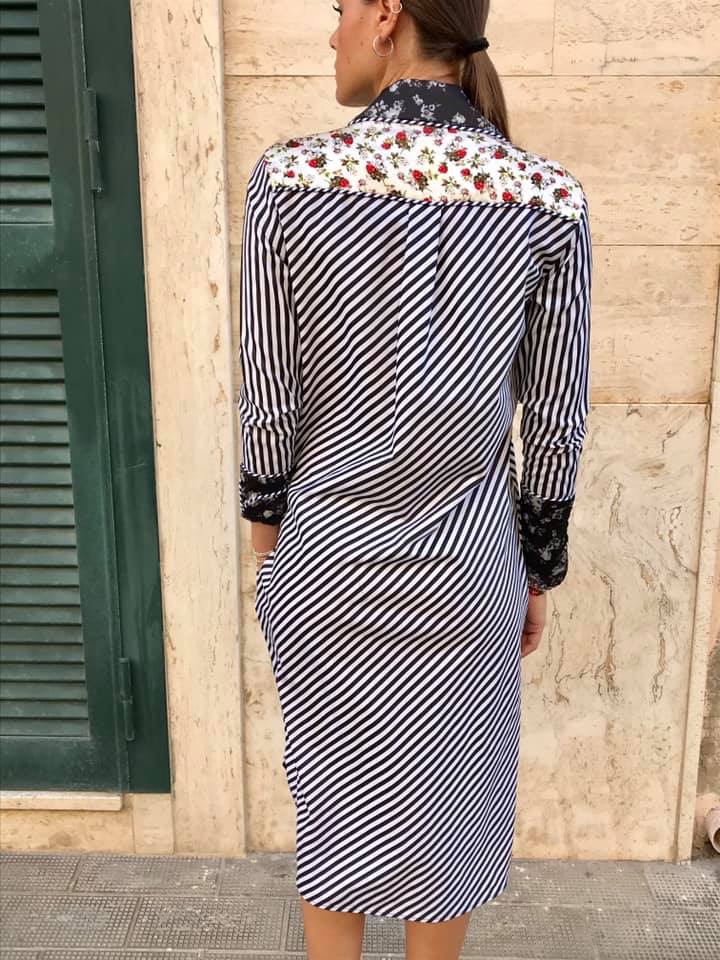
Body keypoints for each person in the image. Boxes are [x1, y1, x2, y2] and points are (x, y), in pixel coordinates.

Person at [237, 1, 592, 958]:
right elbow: (554, 419)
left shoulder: (290, 179)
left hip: (324, 561)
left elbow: (269, 397)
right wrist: (537, 569)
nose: (334, 32)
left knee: (333, 816)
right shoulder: (548, 199)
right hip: (469, 566)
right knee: (451, 821)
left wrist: (269, 550)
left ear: (387, 13)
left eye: (341, 8)